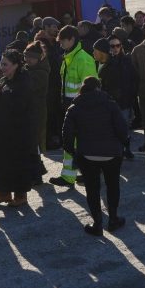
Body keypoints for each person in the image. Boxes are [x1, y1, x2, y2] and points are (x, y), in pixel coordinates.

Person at [62, 77, 128, 236]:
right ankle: (113, 219)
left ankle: (97, 224)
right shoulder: (111, 104)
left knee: (92, 189)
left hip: (87, 155)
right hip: (112, 154)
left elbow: (67, 133)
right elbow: (122, 128)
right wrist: (124, 144)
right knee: (113, 186)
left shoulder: (74, 107)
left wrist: (72, 151)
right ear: (99, 88)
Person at [0, 50, 44, 206]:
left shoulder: (24, 81)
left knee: (18, 163)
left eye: (5, 64)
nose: (1, 67)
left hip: (20, 131)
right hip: (2, 129)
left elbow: (21, 107)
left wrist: (4, 96)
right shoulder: (4, 80)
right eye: (1, 63)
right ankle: (3, 194)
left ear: (16, 65)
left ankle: (20, 196)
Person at [52, 25, 98, 187]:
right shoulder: (69, 58)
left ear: (71, 39)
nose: (60, 44)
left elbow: (91, 88)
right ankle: (72, 175)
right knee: (72, 142)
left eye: (62, 41)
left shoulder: (82, 59)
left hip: (80, 109)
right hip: (71, 108)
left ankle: (82, 174)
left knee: (79, 143)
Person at [98, 35, 136, 159]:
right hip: (109, 101)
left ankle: (126, 149)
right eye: (112, 46)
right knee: (111, 128)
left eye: (118, 45)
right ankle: (116, 150)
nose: (115, 48)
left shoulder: (126, 60)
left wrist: (131, 98)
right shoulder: (104, 63)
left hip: (124, 101)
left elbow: (133, 80)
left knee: (124, 127)